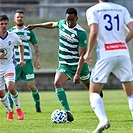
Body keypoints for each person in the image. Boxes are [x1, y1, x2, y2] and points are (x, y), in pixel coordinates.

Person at [27, 7, 101, 122]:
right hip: (64, 64)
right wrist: (36, 25)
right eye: (68, 20)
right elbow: (51, 24)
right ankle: (68, 111)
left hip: (78, 65)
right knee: (57, 83)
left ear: (76, 18)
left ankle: (97, 96)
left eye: (72, 20)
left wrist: (77, 74)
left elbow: (82, 56)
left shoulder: (80, 33)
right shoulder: (62, 24)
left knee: (92, 89)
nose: (69, 22)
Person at [84, 0, 133, 132]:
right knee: (130, 92)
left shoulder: (93, 10)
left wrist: (88, 52)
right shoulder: (121, 9)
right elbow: (132, 28)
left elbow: (94, 31)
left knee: (94, 91)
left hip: (106, 54)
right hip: (123, 53)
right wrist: (123, 42)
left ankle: (103, 120)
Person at [8, 10, 41, 113]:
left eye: (21, 17)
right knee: (12, 86)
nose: (19, 18)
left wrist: (37, 59)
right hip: (14, 63)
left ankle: (37, 105)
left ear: (24, 19)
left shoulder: (29, 31)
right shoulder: (10, 32)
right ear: (14, 19)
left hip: (27, 62)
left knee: (31, 85)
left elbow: (35, 45)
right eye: (17, 17)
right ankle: (10, 109)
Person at [0, 15, 25, 120]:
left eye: (5, 24)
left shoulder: (13, 36)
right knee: (1, 94)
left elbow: (21, 45)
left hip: (9, 65)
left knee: (10, 87)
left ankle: (18, 109)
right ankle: (10, 111)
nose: (4, 26)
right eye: (1, 24)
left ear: (8, 24)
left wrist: (22, 59)